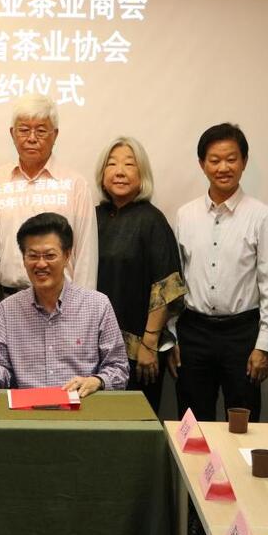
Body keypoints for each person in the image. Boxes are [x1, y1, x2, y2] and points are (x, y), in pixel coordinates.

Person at [173, 123, 268, 423]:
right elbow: (176, 282)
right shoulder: (185, 215)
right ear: (202, 164)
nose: (223, 167)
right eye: (215, 160)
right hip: (193, 332)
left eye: (231, 159)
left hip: (242, 335)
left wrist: (263, 346)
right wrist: (174, 337)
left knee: (242, 424)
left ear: (244, 162)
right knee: (193, 424)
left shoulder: (262, 216)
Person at [0, 213, 128, 395]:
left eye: (50, 255)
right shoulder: (6, 311)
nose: (41, 264)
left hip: (82, 406)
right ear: (23, 259)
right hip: (26, 410)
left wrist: (97, 381)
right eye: (32, 256)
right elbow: (3, 380)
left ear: (67, 255)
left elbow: (119, 368)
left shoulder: (97, 305)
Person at [94, 136, 184, 415]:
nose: (120, 171)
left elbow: (166, 287)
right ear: (102, 173)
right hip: (94, 349)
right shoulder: (93, 217)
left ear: (142, 173)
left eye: (129, 164)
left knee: (135, 422)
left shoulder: (152, 219)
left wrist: (149, 343)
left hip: (140, 351)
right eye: (112, 164)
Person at [0, 94, 98, 298]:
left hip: (63, 299)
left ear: (55, 135)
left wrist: (83, 305)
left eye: (40, 130)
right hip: (8, 298)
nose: (31, 138)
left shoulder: (75, 185)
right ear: (12, 133)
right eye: (24, 130)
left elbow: (86, 255)